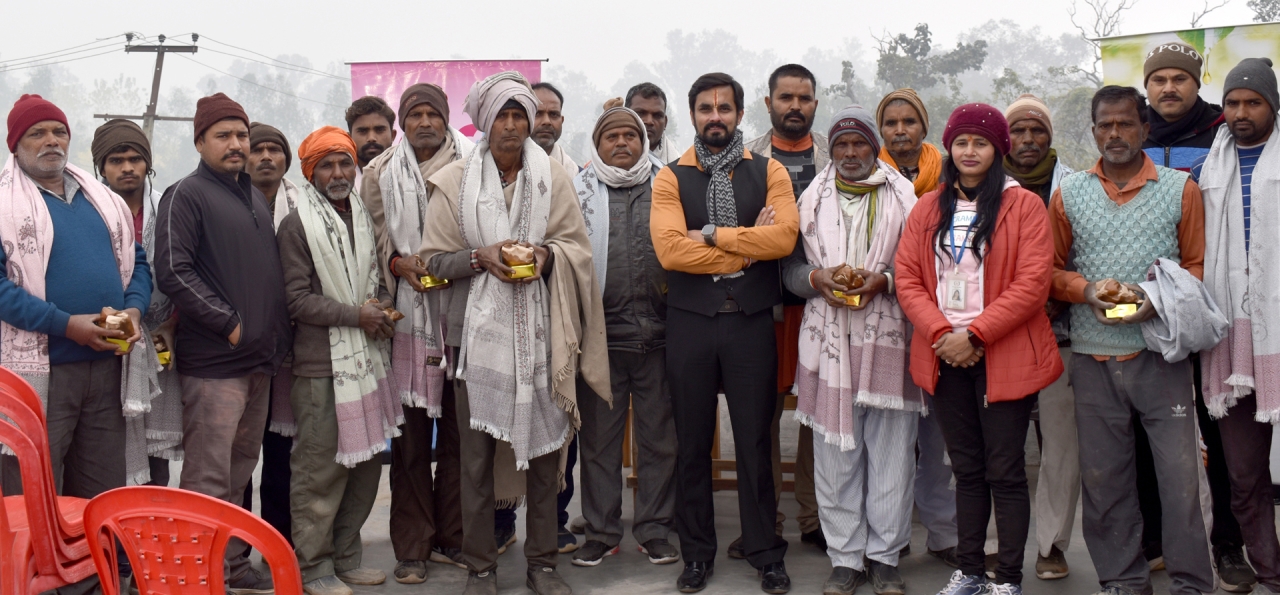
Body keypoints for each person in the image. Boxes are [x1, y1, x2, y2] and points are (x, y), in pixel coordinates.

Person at [419, 71, 608, 595]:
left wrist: (545, 255)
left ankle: (542, 565)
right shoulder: (454, 182)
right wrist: (481, 257)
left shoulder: (554, 176)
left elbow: (577, 250)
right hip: (473, 344)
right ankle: (481, 569)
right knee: (474, 464)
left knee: (547, 461)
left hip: (545, 338)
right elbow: (431, 261)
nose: (511, 125)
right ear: (483, 121)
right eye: (501, 115)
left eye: (519, 115)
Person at [1050, 85, 1215, 595]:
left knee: (1180, 481)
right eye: (1105, 125)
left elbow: (1196, 268)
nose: (1115, 134)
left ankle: (1191, 582)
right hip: (1093, 356)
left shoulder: (1179, 188)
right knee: (1105, 482)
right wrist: (1085, 289)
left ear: (1145, 129)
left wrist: (1154, 300)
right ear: (1094, 130)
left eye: (1126, 124)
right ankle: (1122, 580)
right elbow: (1050, 271)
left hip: (1161, 356)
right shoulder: (1069, 193)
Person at [896, 103, 1062, 595]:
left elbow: (1033, 284)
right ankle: (969, 571)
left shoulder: (1023, 205)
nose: (970, 151)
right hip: (945, 354)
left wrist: (974, 335)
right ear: (949, 146)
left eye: (981, 142)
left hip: (1001, 352)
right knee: (965, 470)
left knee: (1005, 471)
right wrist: (943, 335)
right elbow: (907, 277)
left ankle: (1006, 577)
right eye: (962, 141)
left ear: (998, 149)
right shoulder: (929, 206)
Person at [650, 71, 798, 594]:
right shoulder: (670, 177)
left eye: (725, 108)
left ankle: (765, 552)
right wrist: (745, 244)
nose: (716, 117)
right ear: (693, 115)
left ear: (740, 114)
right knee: (691, 444)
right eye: (706, 108)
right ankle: (697, 554)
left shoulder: (770, 170)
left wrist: (712, 234)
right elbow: (670, 251)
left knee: (757, 442)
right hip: (690, 324)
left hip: (751, 322)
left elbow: (782, 238)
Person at [0, 97, 152, 584]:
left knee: (99, 491)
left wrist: (131, 310)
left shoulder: (100, 198)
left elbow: (139, 264)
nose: (51, 142)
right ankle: (33, 585)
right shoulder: (5, 203)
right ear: (15, 145)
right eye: (37, 134)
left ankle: (92, 583)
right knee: (35, 492)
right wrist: (68, 325)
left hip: (106, 366)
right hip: (39, 375)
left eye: (58, 132)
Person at [779, 105, 921, 595]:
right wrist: (819, 279)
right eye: (841, 145)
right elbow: (789, 272)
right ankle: (845, 558)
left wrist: (882, 280)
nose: (851, 153)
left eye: (859, 143)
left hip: (891, 335)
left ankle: (884, 557)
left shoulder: (907, 198)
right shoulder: (810, 200)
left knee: (892, 453)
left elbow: (922, 269)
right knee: (835, 454)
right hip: (827, 337)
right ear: (831, 150)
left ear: (873, 146)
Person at [154, 92, 292, 594]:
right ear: (200, 141)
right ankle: (193, 575)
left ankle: (230, 566)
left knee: (238, 474)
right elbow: (173, 269)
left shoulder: (251, 195)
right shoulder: (185, 195)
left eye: (241, 134)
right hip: (215, 364)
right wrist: (229, 324)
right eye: (224, 136)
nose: (236, 145)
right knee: (208, 478)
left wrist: (266, 338)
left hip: (257, 363)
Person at [1138, 41, 1249, 590]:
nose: (1168, 89)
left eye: (1179, 78)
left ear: (1196, 81)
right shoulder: (1132, 135)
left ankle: (1227, 545)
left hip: (1208, 305)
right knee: (1144, 435)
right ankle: (1156, 540)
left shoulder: (1222, 134)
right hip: (1139, 311)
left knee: (1215, 431)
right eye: (1158, 79)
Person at [276, 126, 402, 595]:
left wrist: (381, 307)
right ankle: (314, 569)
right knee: (320, 472)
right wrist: (357, 315)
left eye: (344, 163)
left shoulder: (363, 217)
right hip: (320, 368)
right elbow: (296, 300)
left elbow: (373, 279)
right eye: (325, 165)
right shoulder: (297, 225)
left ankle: (348, 558)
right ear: (310, 173)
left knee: (366, 467)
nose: (337, 173)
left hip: (367, 364)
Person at [360, 83, 475, 584]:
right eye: (415, 115)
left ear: (447, 119)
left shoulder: (475, 165)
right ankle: (411, 548)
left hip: (465, 313)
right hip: (406, 318)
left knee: (459, 438)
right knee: (408, 443)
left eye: (433, 113)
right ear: (402, 123)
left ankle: (453, 538)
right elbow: (369, 240)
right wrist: (395, 262)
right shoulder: (379, 173)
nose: (424, 122)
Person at [569, 103, 678, 569]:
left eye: (629, 136)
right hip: (601, 341)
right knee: (598, 445)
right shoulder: (577, 192)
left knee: (658, 442)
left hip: (660, 337)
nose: (621, 143)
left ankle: (654, 530)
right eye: (611, 136)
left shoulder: (668, 186)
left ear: (645, 141)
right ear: (596, 145)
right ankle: (600, 532)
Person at [1196, 57, 1280, 595]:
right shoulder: (1211, 167)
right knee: (1244, 473)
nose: (1241, 113)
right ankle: (1270, 571)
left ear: (1273, 106)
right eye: (1233, 103)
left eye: (1253, 102)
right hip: (1230, 335)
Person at [744, 64, 826, 557]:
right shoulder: (748, 158)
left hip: (820, 305)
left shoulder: (835, 159)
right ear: (769, 101)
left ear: (815, 103)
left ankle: (815, 516)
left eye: (804, 98)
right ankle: (765, 518)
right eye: (786, 97)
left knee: (818, 413)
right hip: (760, 305)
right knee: (761, 418)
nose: (795, 106)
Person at [876, 87, 958, 568]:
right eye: (891, 123)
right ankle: (893, 529)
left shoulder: (950, 174)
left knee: (938, 433)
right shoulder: (868, 173)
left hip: (943, 316)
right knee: (892, 434)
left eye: (909, 121)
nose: (900, 130)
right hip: (885, 311)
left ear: (924, 127)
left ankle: (944, 533)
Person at [1000, 94, 1077, 581]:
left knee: (1060, 447)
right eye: (1019, 132)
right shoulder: (981, 186)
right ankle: (993, 545)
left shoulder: (1075, 186)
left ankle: (1052, 545)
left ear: (1050, 136)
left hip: (1061, 333)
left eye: (1038, 131)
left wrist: (1059, 293)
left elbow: (1087, 254)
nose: (1028, 141)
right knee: (999, 450)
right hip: (1000, 335)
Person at [89, 118, 184, 490]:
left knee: (156, 450)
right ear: (101, 168)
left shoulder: (170, 207)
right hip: (107, 340)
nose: (127, 167)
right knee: (111, 442)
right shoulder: (90, 212)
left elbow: (187, 271)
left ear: (147, 162)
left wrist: (172, 326)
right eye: (115, 160)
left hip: (163, 335)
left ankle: (152, 539)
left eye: (134, 158)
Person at [531, 79, 583, 555]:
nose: (545, 122)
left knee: (561, 418)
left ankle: (558, 520)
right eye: (538, 113)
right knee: (505, 423)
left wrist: (550, 255)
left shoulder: (574, 174)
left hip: (559, 311)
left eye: (553, 115)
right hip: (504, 315)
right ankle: (504, 519)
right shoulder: (489, 172)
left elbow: (579, 246)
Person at [245, 120, 298, 545]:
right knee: (237, 458)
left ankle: (280, 544)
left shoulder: (305, 205)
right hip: (239, 348)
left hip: (292, 353)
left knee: (283, 456)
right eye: (256, 149)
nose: (265, 157)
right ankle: (237, 550)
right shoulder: (225, 202)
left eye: (274, 149)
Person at [532, 81, 579, 173]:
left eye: (553, 114)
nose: (547, 121)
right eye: (537, 113)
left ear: (562, 120)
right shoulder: (504, 173)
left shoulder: (578, 177)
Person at [626, 82, 679, 163]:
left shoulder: (680, 168)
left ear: (665, 122)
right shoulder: (604, 162)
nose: (649, 121)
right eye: (641, 113)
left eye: (657, 115)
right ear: (625, 115)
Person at [347, 96, 396, 169]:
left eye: (379, 130)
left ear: (393, 135)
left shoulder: (411, 176)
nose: (371, 138)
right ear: (349, 138)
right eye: (363, 131)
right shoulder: (339, 177)